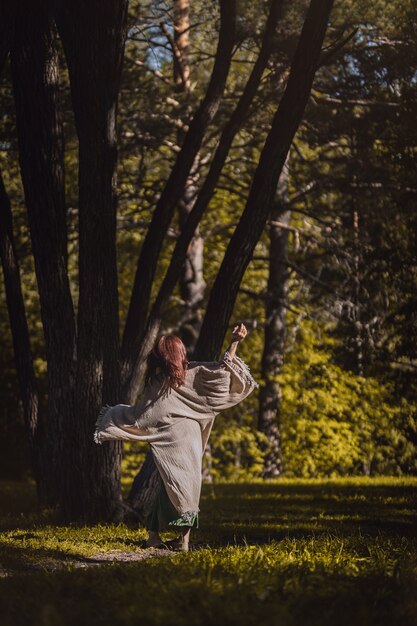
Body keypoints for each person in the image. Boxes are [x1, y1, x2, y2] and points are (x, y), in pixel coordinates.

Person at [94, 323, 258, 551]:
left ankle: (168, 538)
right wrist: (234, 342)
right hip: (183, 439)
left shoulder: (175, 378)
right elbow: (222, 373)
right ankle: (176, 539)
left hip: (179, 439)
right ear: (178, 354)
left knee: (176, 485)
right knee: (181, 486)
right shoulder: (182, 377)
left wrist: (117, 416)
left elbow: (145, 416)